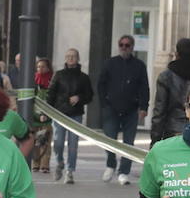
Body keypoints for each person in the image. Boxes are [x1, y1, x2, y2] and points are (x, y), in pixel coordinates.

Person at [97, 34, 149, 185]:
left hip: (131, 109)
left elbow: (144, 87)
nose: (124, 48)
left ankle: (124, 172)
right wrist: (104, 103)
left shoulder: (139, 65)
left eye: (127, 45)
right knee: (109, 139)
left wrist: (143, 107)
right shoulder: (110, 63)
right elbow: (101, 84)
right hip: (111, 108)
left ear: (132, 47)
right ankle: (110, 164)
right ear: (118, 46)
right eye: (122, 45)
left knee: (128, 143)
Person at [47, 48, 94, 183]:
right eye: (68, 56)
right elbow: (51, 93)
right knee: (58, 142)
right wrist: (47, 112)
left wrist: (79, 98)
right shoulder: (58, 75)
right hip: (59, 113)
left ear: (78, 58)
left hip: (75, 114)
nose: (71, 58)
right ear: (65, 59)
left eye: (73, 56)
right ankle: (59, 162)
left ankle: (70, 171)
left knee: (73, 145)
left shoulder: (84, 77)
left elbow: (89, 95)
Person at [151, 38, 190, 143]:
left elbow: (159, 112)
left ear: (177, 54)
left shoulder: (166, 77)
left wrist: (155, 140)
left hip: (173, 132)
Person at [30, 57, 54, 174]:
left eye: (43, 66)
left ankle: (45, 165)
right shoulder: (33, 81)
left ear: (48, 67)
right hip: (34, 116)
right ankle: (35, 163)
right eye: (38, 67)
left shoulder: (52, 81)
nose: (40, 69)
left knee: (45, 141)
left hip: (47, 117)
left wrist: (47, 115)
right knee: (35, 142)